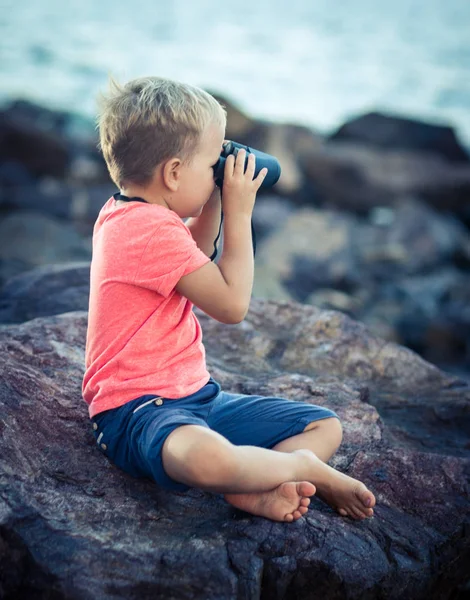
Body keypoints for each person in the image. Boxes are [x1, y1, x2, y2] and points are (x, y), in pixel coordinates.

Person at [83, 76, 376, 523]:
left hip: (195, 400)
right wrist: (241, 213)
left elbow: (195, 259)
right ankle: (296, 468)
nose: (219, 167)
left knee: (322, 424)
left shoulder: (131, 211)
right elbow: (231, 305)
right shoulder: (146, 229)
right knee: (208, 459)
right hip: (136, 413)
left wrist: (217, 195)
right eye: (211, 162)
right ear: (174, 173)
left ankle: (253, 487)